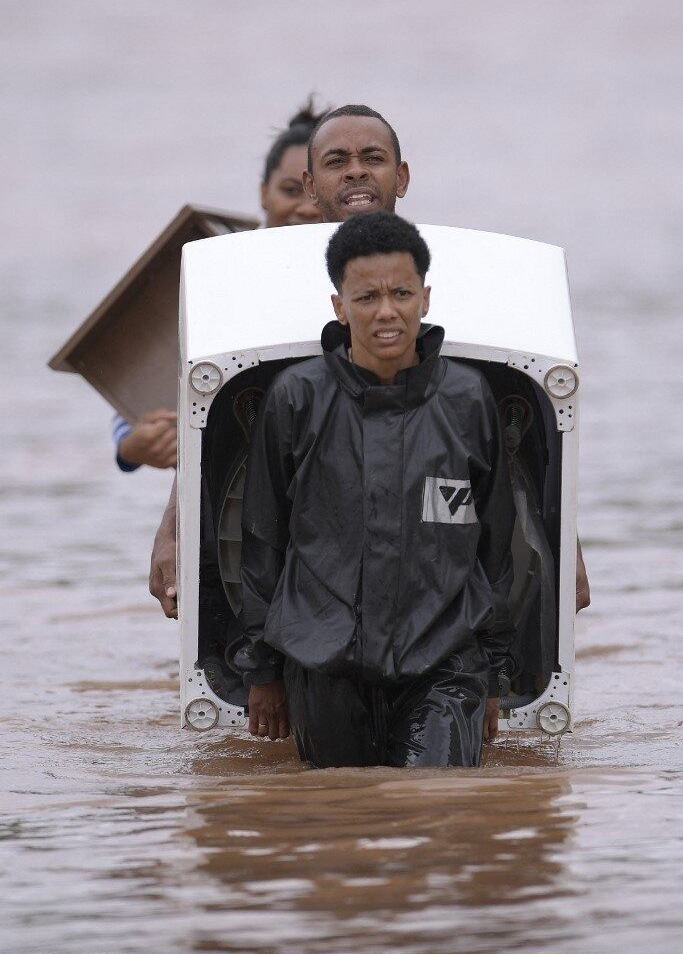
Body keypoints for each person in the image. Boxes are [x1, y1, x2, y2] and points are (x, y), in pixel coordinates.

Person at [150, 103, 590, 617]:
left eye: (373, 158)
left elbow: (522, 435)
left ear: (401, 176)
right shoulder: (254, 284)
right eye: (337, 161)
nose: (356, 170)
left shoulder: (468, 274)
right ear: (311, 186)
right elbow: (213, 421)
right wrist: (174, 526)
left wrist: (566, 543)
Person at [237, 212, 514, 767]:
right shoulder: (297, 398)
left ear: (425, 299)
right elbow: (260, 542)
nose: (387, 312)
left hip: (445, 659)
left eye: (401, 293)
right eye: (367, 298)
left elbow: (497, 544)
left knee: (434, 814)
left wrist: (494, 677)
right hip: (323, 661)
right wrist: (262, 671)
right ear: (339, 306)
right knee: (343, 820)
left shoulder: (467, 398)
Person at [114, 100, 327, 472]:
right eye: (291, 190)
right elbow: (136, 391)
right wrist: (133, 448)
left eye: (316, 193)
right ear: (264, 192)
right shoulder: (218, 269)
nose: (306, 208)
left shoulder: (365, 276)